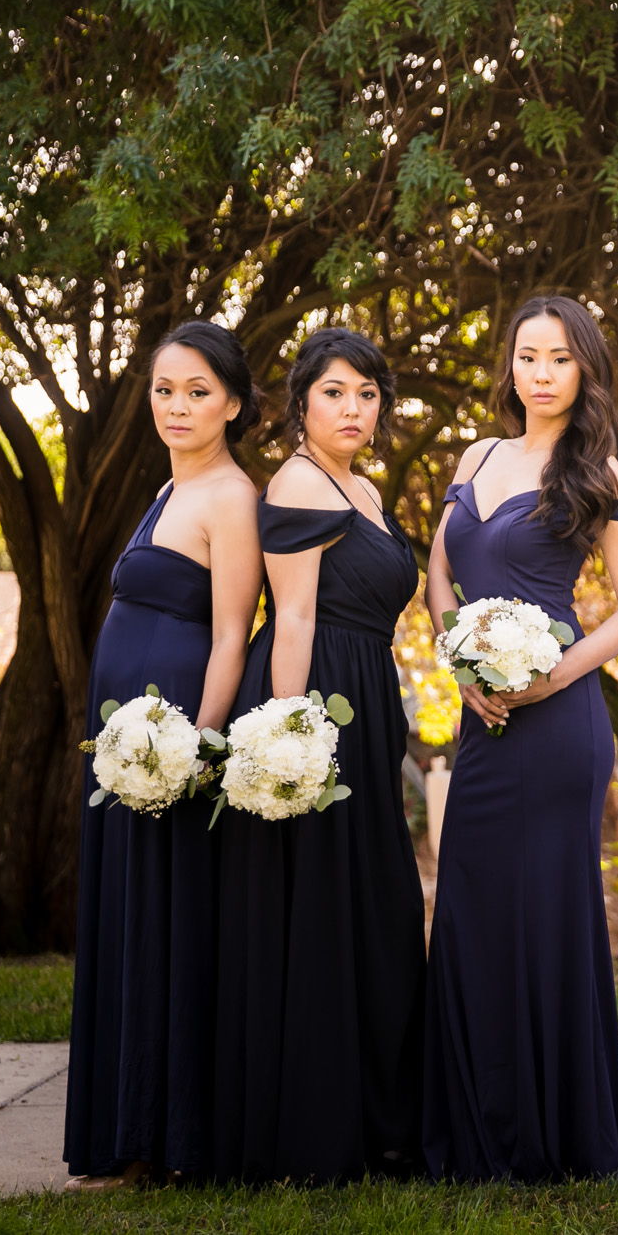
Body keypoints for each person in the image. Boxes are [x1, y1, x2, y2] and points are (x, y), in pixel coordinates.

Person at [421, 296, 618, 1182]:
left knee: (546, 915)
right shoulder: (475, 455)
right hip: (482, 712)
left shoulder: (602, 472)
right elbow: (439, 569)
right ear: (510, 366)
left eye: (561, 359)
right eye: (529, 356)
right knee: (472, 907)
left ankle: (556, 1133)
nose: (543, 373)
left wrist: (551, 674)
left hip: (559, 722)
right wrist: (462, 663)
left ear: (584, 369)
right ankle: (473, 1126)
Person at [212, 328, 426, 1183]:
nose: (353, 408)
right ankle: (312, 1129)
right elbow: (292, 614)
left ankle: (377, 1116)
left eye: (368, 394)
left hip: (365, 695)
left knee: (371, 905)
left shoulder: (362, 486)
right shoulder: (299, 480)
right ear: (301, 402)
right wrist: (292, 733)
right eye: (335, 391)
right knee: (323, 907)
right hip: (319, 695)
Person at [65, 321, 261, 1189]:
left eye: (197, 391)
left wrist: (195, 745)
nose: (177, 406)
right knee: (129, 920)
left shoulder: (229, 495)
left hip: (170, 742)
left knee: (165, 923)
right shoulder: (166, 485)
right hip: (125, 746)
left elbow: (231, 635)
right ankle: (128, 1129)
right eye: (164, 390)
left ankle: (168, 1137)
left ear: (234, 403)